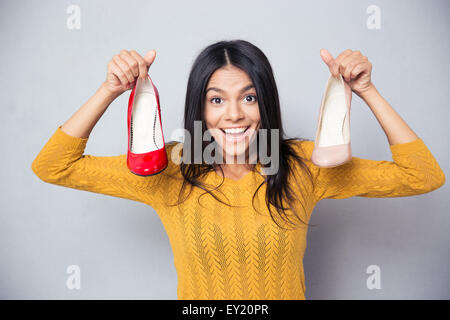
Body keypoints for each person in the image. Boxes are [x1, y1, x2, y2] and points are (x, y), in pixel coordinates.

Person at [31, 39, 446, 300]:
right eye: (216, 100)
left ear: (266, 103)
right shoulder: (168, 170)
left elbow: (422, 176)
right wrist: (110, 90)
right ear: (200, 107)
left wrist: (366, 90)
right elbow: (53, 166)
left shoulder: (303, 166)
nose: (234, 114)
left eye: (249, 98)